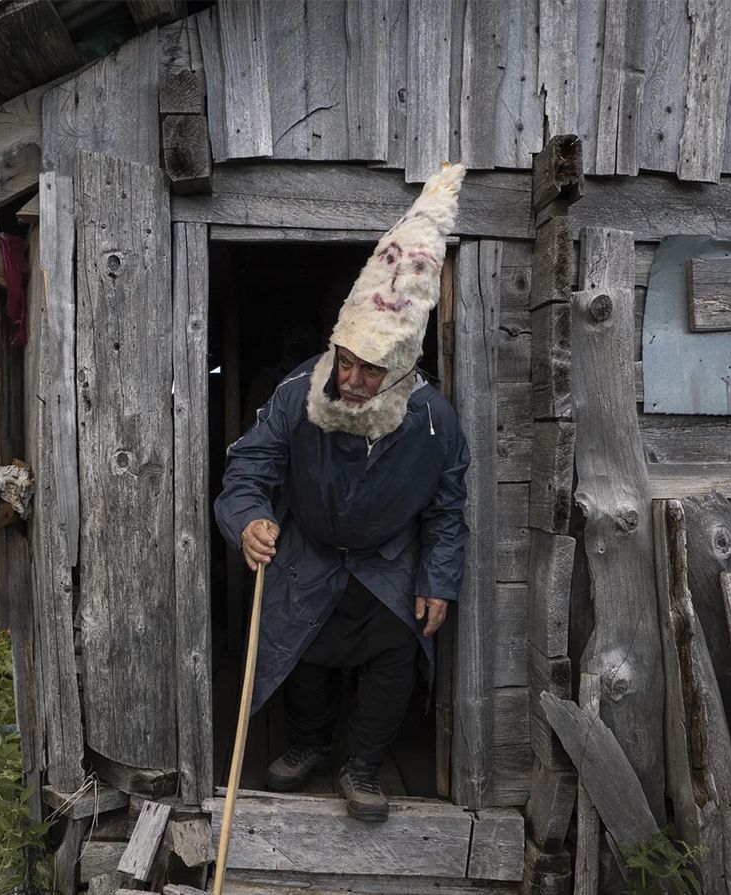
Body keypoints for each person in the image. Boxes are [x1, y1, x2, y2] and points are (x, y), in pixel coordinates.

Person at [212, 164, 471, 822]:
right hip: (313, 548)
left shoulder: (435, 421)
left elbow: (446, 511)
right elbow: (249, 467)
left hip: (388, 558)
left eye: (370, 368)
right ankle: (307, 744)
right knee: (303, 654)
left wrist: (438, 577)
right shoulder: (299, 391)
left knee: (394, 660)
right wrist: (248, 519)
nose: (351, 379)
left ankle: (361, 763)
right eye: (345, 360)